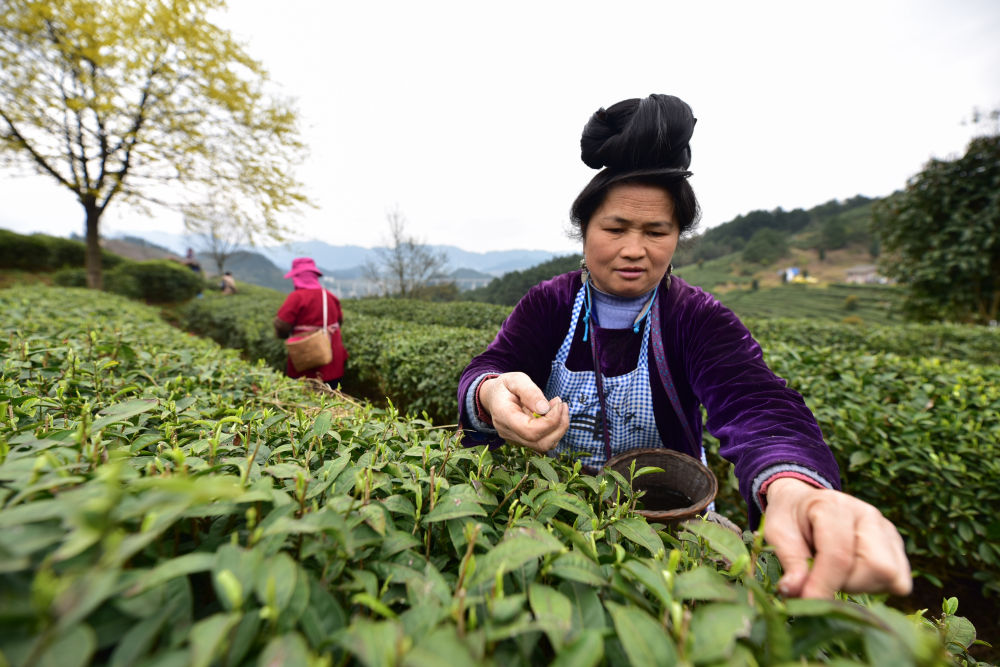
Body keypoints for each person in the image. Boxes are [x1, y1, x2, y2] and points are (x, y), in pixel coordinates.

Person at [458, 94, 911, 600]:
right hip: (551, 514)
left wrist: (793, 487)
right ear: (584, 230)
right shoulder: (549, 304)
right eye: (615, 229)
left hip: (665, 529)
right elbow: (490, 368)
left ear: (678, 236)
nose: (635, 249)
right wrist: (490, 394)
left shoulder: (694, 317)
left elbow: (757, 403)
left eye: (657, 231)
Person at [274, 257, 348, 388]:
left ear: (296, 277)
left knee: (304, 398)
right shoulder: (330, 296)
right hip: (331, 357)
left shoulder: (296, 297)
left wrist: (286, 335)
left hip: (306, 359)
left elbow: (282, 325)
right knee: (331, 398)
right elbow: (339, 321)